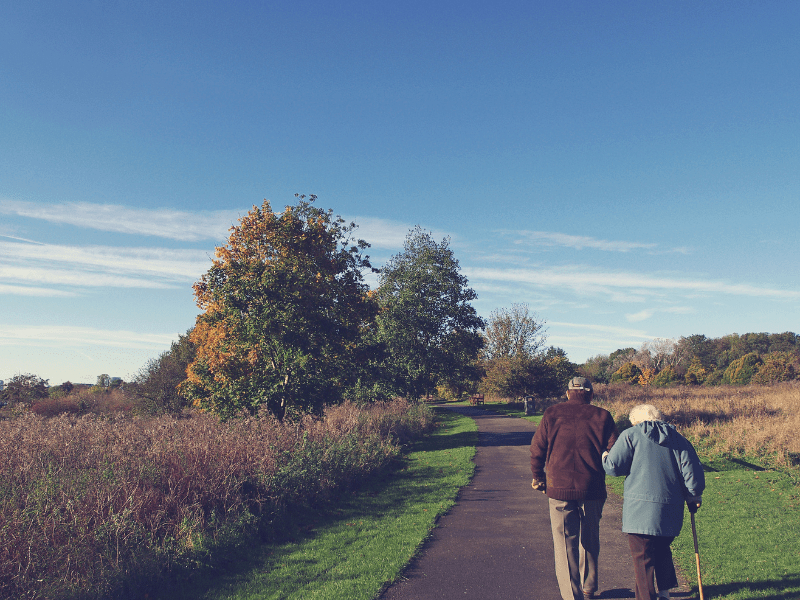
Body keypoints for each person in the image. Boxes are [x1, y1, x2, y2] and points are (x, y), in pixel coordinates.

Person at [602, 404, 705, 600]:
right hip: (670, 509)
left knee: (643, 559)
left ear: (636, 421)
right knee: (662, 549)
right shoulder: (679, 439)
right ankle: (664, 593)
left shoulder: (630, 435)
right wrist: (694, 495)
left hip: (639, 511)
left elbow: (614, 467)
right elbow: (693, 475)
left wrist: (605, 455)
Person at [530, 377, 618, 600]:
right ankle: (588, 589)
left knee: (564, 544)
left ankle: (572, 596)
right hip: (592, 488)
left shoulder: (552, 413)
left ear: (567, 393)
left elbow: (537, 449)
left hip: (559, 487)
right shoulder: (602, 415)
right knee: (590, 539)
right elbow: (614, 452)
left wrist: (538, 477)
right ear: (590, 394)